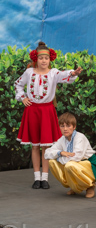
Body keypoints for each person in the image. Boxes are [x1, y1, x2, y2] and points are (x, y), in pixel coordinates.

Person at [14, 42, 82, 190]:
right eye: (41, 58)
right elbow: (18, 84)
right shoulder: (29, 73)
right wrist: (23, 97)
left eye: (46, 58)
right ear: (35, 59)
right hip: (32, 111)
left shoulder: (53, 73)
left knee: (46, 145)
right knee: (35, 146)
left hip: (47, 111)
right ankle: (36, 177)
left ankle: (45, 178)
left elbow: (65, 75)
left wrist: (73, 73)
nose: (44, 61)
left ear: (50, 59)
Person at [44, 112, 96, 198]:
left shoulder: (80, 137)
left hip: (88, 165)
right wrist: (60, 153)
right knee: (52, 162)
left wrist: (59, 158)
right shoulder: (62, 139)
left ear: (74, 127)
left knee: (69, 165)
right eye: (62, 126)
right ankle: (74, 186)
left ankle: (90, 186)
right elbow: (47, 154)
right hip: (74, 164)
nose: (65, 129)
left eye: (68, 126)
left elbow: (76, 157)